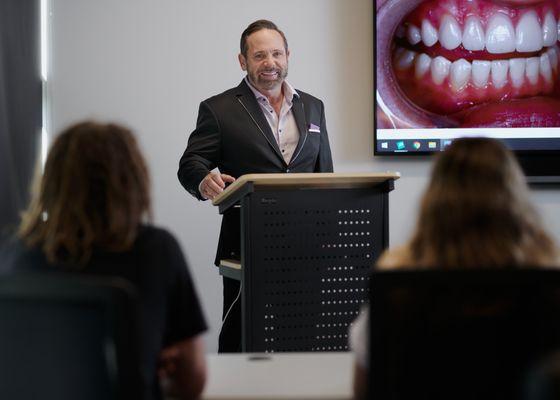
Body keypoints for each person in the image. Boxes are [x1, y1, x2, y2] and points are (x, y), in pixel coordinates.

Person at [0, 121, 207, 400]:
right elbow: (190, 381)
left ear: (51, 182)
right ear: (133, 180)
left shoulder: (15, 255)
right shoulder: (156, 250)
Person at [349, 137, 560, 399]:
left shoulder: (395, 287)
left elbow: (365, 392)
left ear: (434, 201)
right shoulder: (549, 285)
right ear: (516, 201)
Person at [178, 19, 333, 352]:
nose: (270, 63)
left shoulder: (313, 106)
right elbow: (189, 165)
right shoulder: (218, 110)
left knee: (306, 344)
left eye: (277, 54)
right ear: (242, 61)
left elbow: (326, 176)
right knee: (242, 345)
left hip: (305, 248)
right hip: (245, 249)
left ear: (288, 56)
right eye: (260, 55)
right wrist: (204, 180)